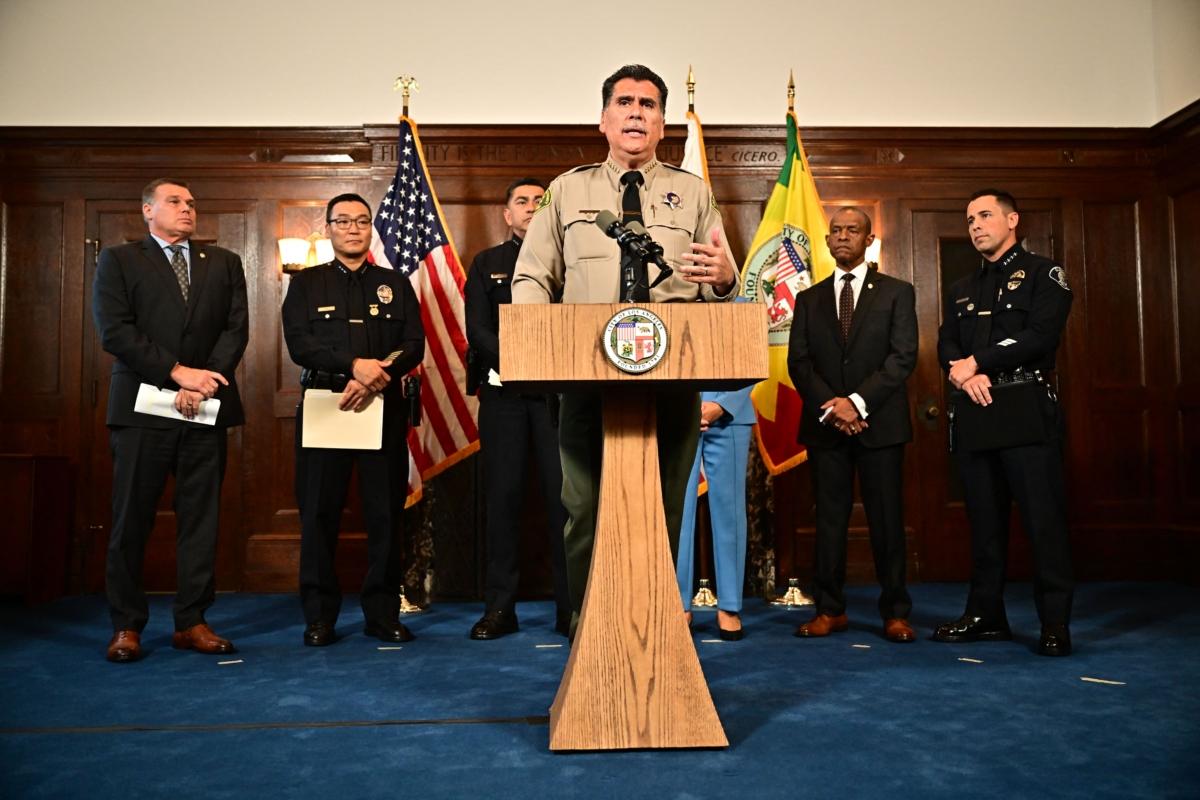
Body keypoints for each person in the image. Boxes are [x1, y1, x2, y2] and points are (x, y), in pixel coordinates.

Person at [511, 64, 739, 634]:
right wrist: (539, 342)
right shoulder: (568, 190)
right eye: (624, 102)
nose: (636, 112)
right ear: (603, 119)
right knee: (584, 508)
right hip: (585, 378)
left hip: (673, 378)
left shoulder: (694, 193)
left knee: (664, 508)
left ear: (662, 123)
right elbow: (533, 276)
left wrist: (725, 281)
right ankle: (590, 625)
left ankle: (653, 627)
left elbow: (720, 278)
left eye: (648, 104)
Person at [92, 178, 249, 663]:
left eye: (192, 203)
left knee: (201, 520)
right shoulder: (119, 260)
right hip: (141, 408)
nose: (187, 209)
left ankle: (192, 621)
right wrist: (177, 373)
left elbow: (235, 329)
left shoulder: (223, 262)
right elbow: (115, 331)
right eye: (175, 201)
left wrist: (203, 382)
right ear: (147, 210)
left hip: (206, 405)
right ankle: (126, 625)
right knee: (131, 520)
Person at [933, 189, 1074, 656]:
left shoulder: (1043, 273)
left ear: (1013, 220)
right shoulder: (962, 287)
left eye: (985, 215)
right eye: (969, 219)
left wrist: (978, 362)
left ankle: (1054, 622)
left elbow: (1041, 335)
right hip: (976, 408)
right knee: (984, 523)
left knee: (1042, 520)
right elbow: (946, 343)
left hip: (1023, 404)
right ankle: (985, 615)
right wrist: (964, 371)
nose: (975, 225)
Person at [282, 192, 425, 647]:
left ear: (370, 229)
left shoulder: (394, 283)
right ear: (328, 229)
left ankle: (381, 614)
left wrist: (375, 376)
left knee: (385, 515)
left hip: (382, 406)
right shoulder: (306, 284)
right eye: (343, 221)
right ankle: (319, 617)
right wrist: (354, 366)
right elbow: (300, 345)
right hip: (326, 405)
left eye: (361, 221)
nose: (353, 229)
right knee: (319, 514)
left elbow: (413, 344)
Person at [787, 206, 918, 643]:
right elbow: (799, 363)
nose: (843, 236)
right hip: (826, 427)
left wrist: (857, 404)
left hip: (880, 426)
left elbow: (902, 357)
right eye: (837, 230)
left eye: (853, 230)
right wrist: (835, 408)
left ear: (869, 239)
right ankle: (830, 610)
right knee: (829, 522)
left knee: (887, 522)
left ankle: (895, 613)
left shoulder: (897, 292)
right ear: (828, 240)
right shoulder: (808, 299)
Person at [464, 177, 571, 639]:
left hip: (558, 400)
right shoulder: (487, 263)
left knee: (566, 503)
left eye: (539, 201)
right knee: (503, 502)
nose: (531, 207)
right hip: (504, 396)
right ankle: (500, 610)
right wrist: (521, 359)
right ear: (507, 215)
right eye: (522, 201)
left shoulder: (571, 260)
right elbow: (478, 330)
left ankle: (571, 609)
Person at [675, 381, 755, 641]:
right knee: (678, 515)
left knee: (730, 514)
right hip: (677, 412)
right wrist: (683, 407)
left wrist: (722, 406)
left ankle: (729, 606)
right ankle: (678, 605)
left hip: (730, 415)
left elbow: (750, 361)